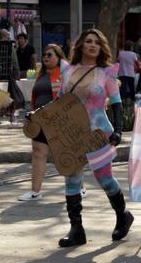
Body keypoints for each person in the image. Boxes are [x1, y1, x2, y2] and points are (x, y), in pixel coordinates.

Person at [56, 29, 133, 248]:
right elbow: (60, 101)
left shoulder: (106, 72)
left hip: (98, 133)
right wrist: (39, 118)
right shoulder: (67, 70)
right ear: (80, 45)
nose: (92, 45)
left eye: (97, 43)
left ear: (101, 48)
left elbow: (116, 103)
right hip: (71, 133)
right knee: (71, 177)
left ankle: (123, 215)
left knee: (104, 178)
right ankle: (76, 229)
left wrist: (118, 130)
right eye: (88, 41)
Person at [18, 44, 72, 202]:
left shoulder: (64, 74)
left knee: (64, 155)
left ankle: (77, 188)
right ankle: (35, 192)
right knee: (38, 153)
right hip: (40, 121)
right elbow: (35, 99)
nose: (46, 57)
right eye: (44, 55)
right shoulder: (41, 75)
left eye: (50, 55)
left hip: (58, 121)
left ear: (59, 58)